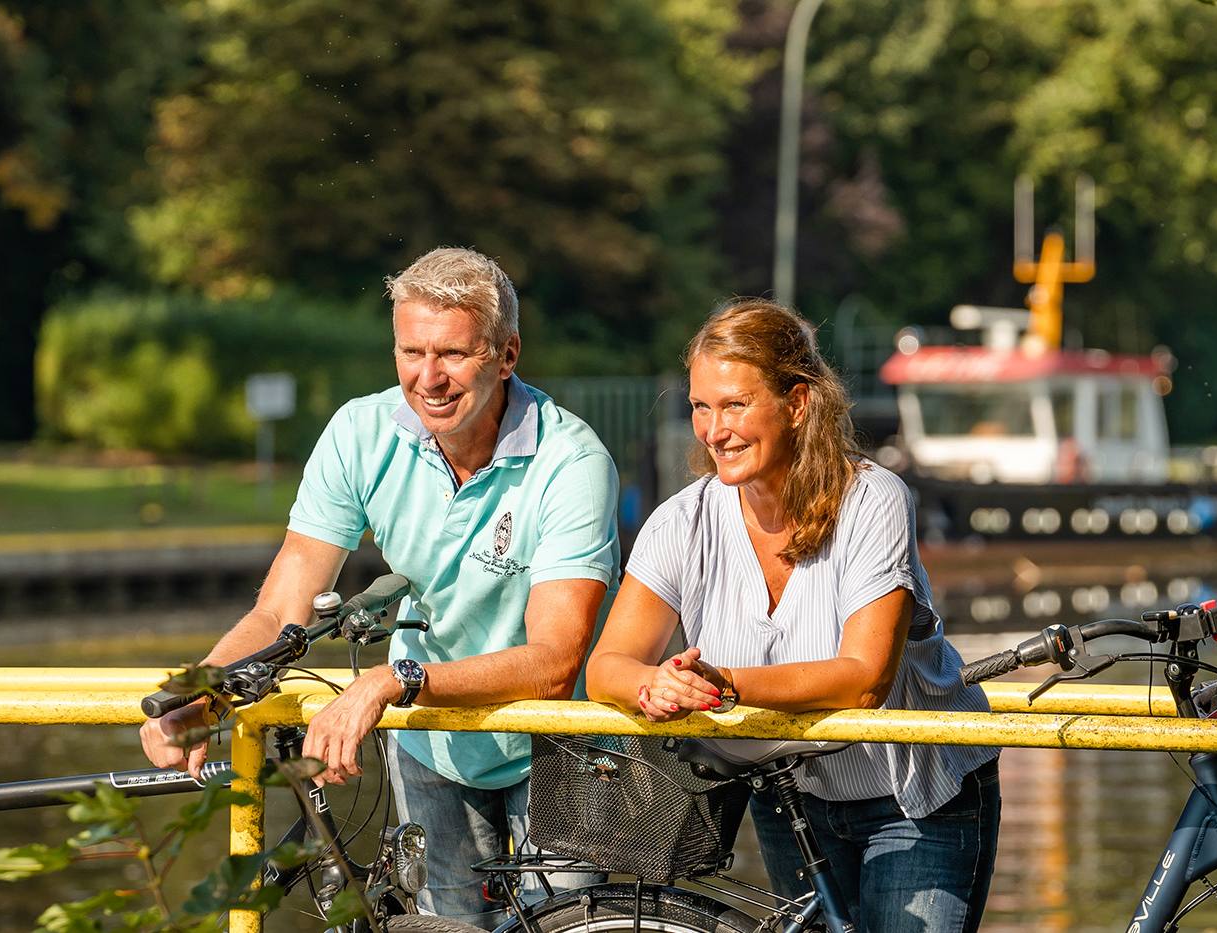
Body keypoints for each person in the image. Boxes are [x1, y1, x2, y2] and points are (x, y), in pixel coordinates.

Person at [139, 247, 617, 927]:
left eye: (453, 353)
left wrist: (391, 681)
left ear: (507, 355)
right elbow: (280, 606)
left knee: (566, 925)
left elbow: (553, 662)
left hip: (560, 738)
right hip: (430, 740)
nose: (429, 378)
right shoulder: (361, 434)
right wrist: (206, 689)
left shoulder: (571, 461)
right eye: (410, 351)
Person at [585, 299, 1001, 933]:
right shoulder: (682, 520)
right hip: (790, 795)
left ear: (799, 402)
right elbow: (605, 667)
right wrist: (655, 683)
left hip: (917, 798)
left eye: (735, 405)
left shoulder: (873, 501)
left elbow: (864, 679)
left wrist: (722, 685)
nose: (713, 430)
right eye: (701, 406)